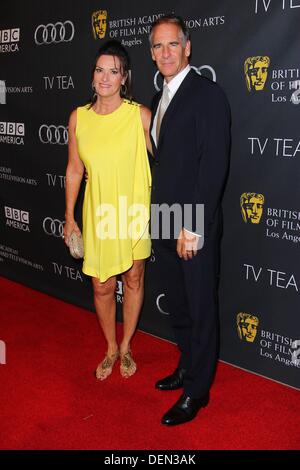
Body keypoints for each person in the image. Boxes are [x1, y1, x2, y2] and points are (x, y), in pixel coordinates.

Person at [149, 15, 231, 425]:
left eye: (171, 44)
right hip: (163, 218)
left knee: (200, 307)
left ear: (187, 47)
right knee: (178, 306)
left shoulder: (208, 95)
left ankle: (197, 392)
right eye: (157, 47)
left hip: (190, 223)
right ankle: (186, 367)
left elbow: (212, 167)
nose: (164, 53)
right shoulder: (159, 96)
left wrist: (192, 226)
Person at [64, 40, 152, 381]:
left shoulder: (139, 116)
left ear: (124, 77)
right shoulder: (79, 118)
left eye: (113, 71)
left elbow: (173, 158)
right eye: (100, 70)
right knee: (101, 286)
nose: (105, 77)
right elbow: (74, 169)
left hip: (132, 214)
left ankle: (126, 345)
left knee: (133, 278)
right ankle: (110, 347)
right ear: (92, 76)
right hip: (99, 213)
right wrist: (70, 217)